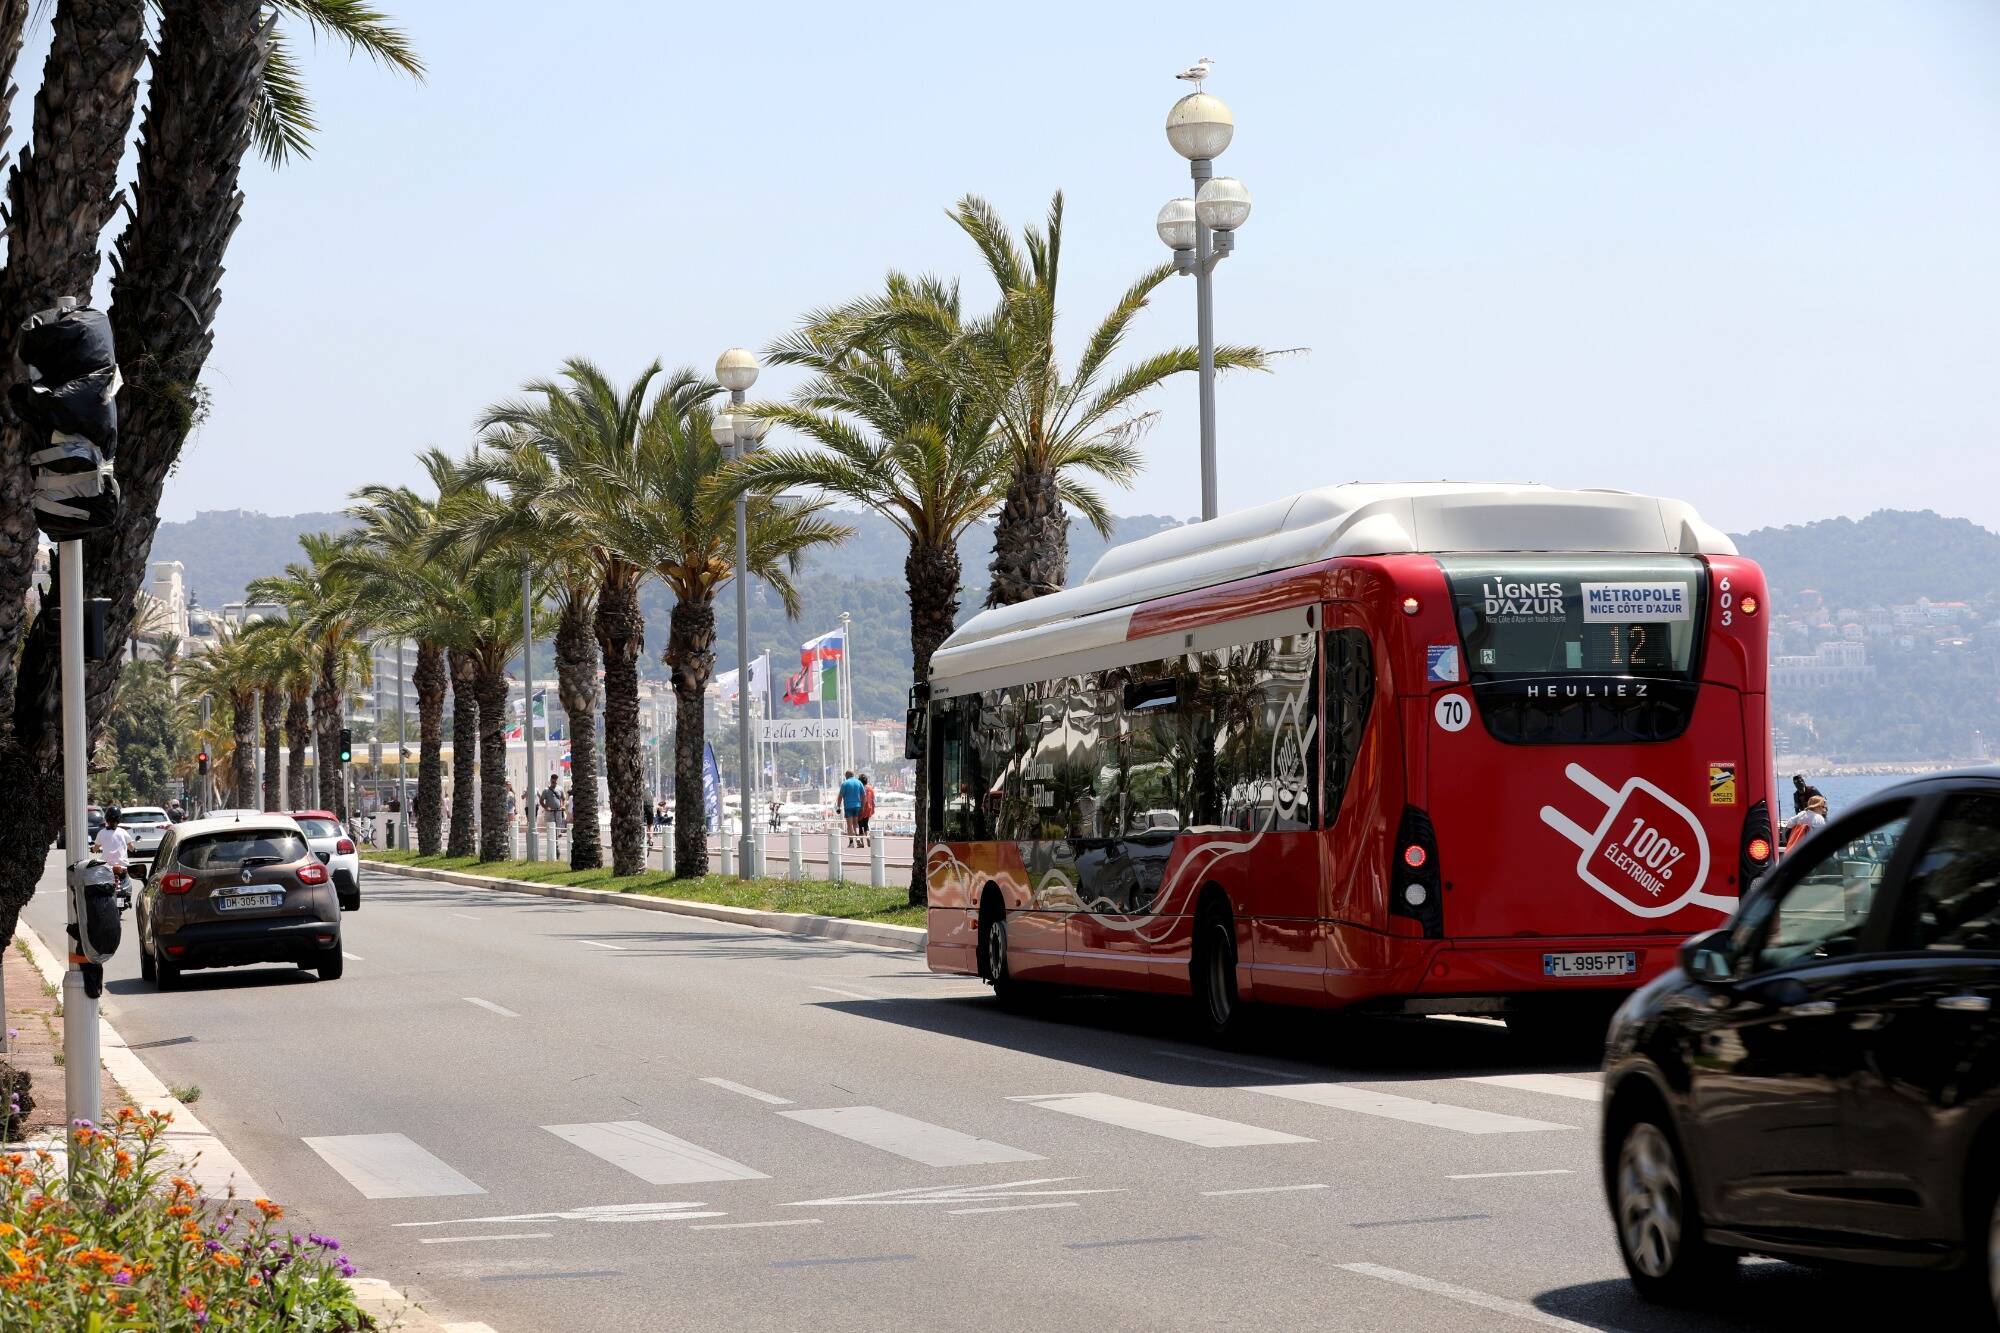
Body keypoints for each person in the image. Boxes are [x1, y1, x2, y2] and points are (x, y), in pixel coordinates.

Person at [93, 806, 132, 885]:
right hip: (122, 865)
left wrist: (94, 849)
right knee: (128, 882)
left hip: (107, 866)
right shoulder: (123, 832)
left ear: (106, 818)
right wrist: (133, 849)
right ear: (119, 819)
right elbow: (131, 847)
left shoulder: (101, 832)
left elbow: (95, 848)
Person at [837, 770, 864, 847]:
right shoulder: (859, 783)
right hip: (857, 805)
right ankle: (858, 838)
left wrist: (838, 807)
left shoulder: (845, 783)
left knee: (849, 825)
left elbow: (840, 797)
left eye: (845, 776)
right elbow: (863, 795)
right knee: (856, 824)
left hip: (848, 806)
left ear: (847, 775)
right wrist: (862, 806)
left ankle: (851, 842)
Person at [858, 773, 875, 841]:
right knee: (866, 824)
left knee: (859, 824)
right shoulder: (870, 788)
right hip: (869, 808)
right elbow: (873, 799)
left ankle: (861, 841)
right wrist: (873, 809)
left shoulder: (860, 788)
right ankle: (867, 836)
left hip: (861, 807)